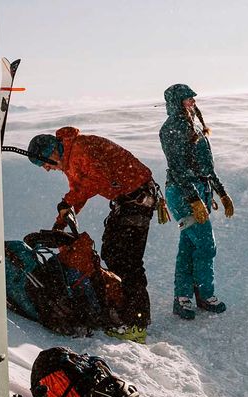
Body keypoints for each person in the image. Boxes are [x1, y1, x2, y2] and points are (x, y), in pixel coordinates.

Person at [27, 126, 164, 343]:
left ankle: (137, 322)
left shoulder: (80, 149)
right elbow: (78, 191)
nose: (45, 168)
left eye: (43, 163)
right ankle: (127, 313)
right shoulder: (70, 158)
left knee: (126, 260)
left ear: (52, 153)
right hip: (127, 201)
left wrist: (68, 202)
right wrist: (61, 222)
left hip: (137, 199)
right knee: (112, 253)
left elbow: (98, 179)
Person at [159, 84, 234, 320]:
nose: (192, 102)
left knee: (189, 246)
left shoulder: (194, 126)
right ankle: (204, 294)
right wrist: (193, 200)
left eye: (192, 98)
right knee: (205, 245)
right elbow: (178, 168)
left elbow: (206, 167)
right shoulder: (171, 128)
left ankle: (183, 298)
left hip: (198, 191)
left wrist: (221, 193)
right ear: (175, 102)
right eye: (187, 99)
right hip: (182, 193)